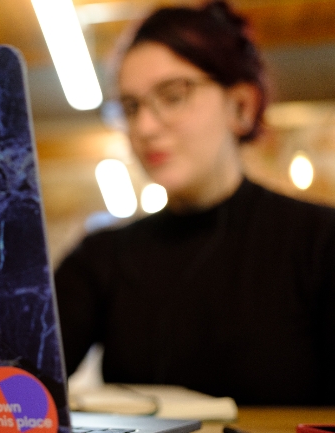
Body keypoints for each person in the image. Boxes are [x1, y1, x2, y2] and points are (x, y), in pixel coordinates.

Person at [55, 0, 335, 405]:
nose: (145, 127)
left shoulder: (319, 241)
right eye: (132, 107)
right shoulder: (100, 258)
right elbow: (17, 385)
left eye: (173, 96)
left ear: (240, 106)